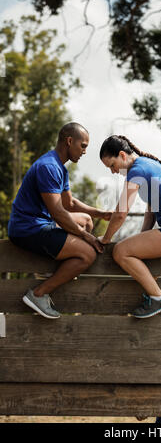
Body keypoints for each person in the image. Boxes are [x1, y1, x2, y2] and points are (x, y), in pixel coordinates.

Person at [8, 122, 111, 319]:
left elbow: (69, 203)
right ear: (69, 141)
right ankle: (39, 293)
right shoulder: (48, 167)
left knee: (86, 220)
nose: (84, 152)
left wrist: (102, 214)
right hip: (27, 229)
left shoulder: (59, 168)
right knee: (87, 255)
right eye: (83, 146)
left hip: (40, 224)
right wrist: (86, 237)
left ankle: (63, 272)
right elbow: (58, 213)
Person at [98, 135, 161, 318]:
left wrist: (105, 239)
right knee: (145, 276)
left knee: (120, 252)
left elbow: (121, 212)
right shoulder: (147, 165)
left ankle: (159, 299)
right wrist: (142, 237)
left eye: (112, 166)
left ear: (122, 155)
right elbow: (151, 210)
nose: (113, 172)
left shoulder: (137, 170)